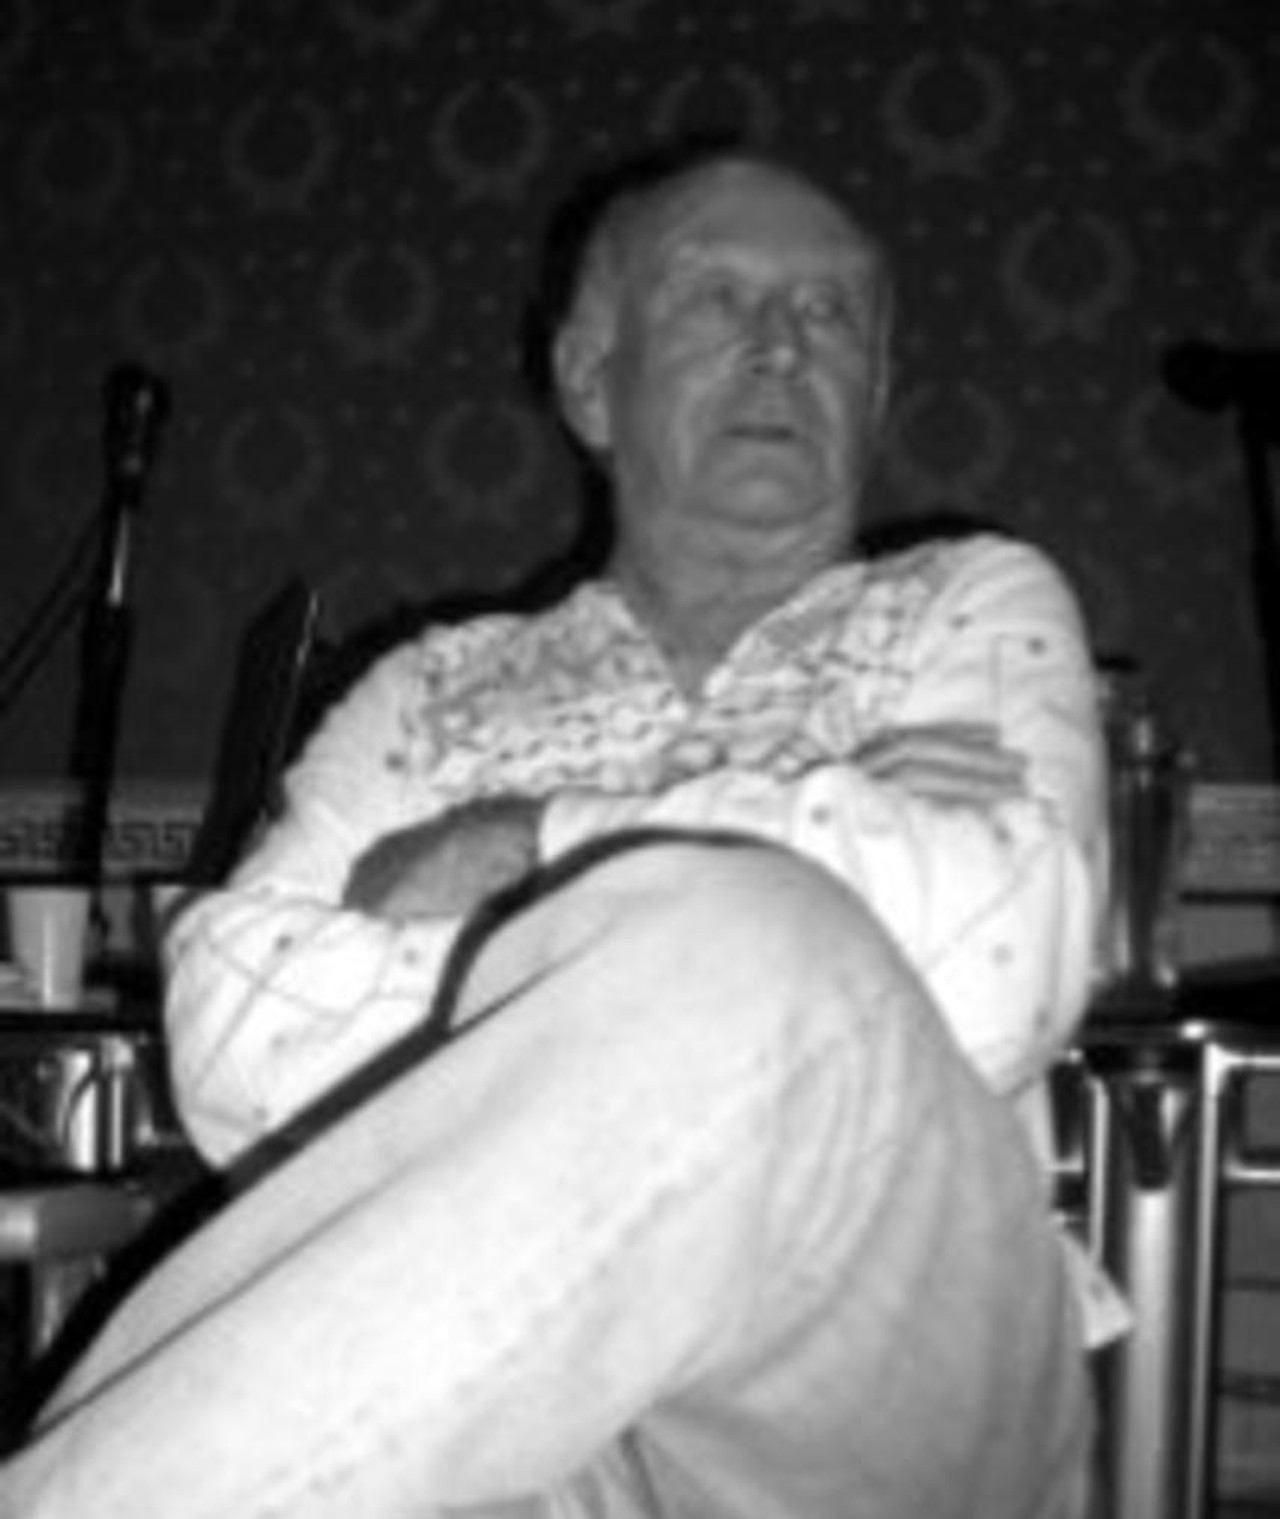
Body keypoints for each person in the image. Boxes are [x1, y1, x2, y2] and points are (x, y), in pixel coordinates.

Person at [3, 148, 1112, 1518]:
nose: (783, 345)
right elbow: (235, 1045)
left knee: (757, 941)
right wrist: (816, 830)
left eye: (831, 313)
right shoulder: (426, 689)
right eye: (718, 299)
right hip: (501, 1352)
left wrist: (518, 846)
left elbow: (998, 972)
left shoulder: (973, 601)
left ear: (876, 391)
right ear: (591, 382)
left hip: (887, 1373)